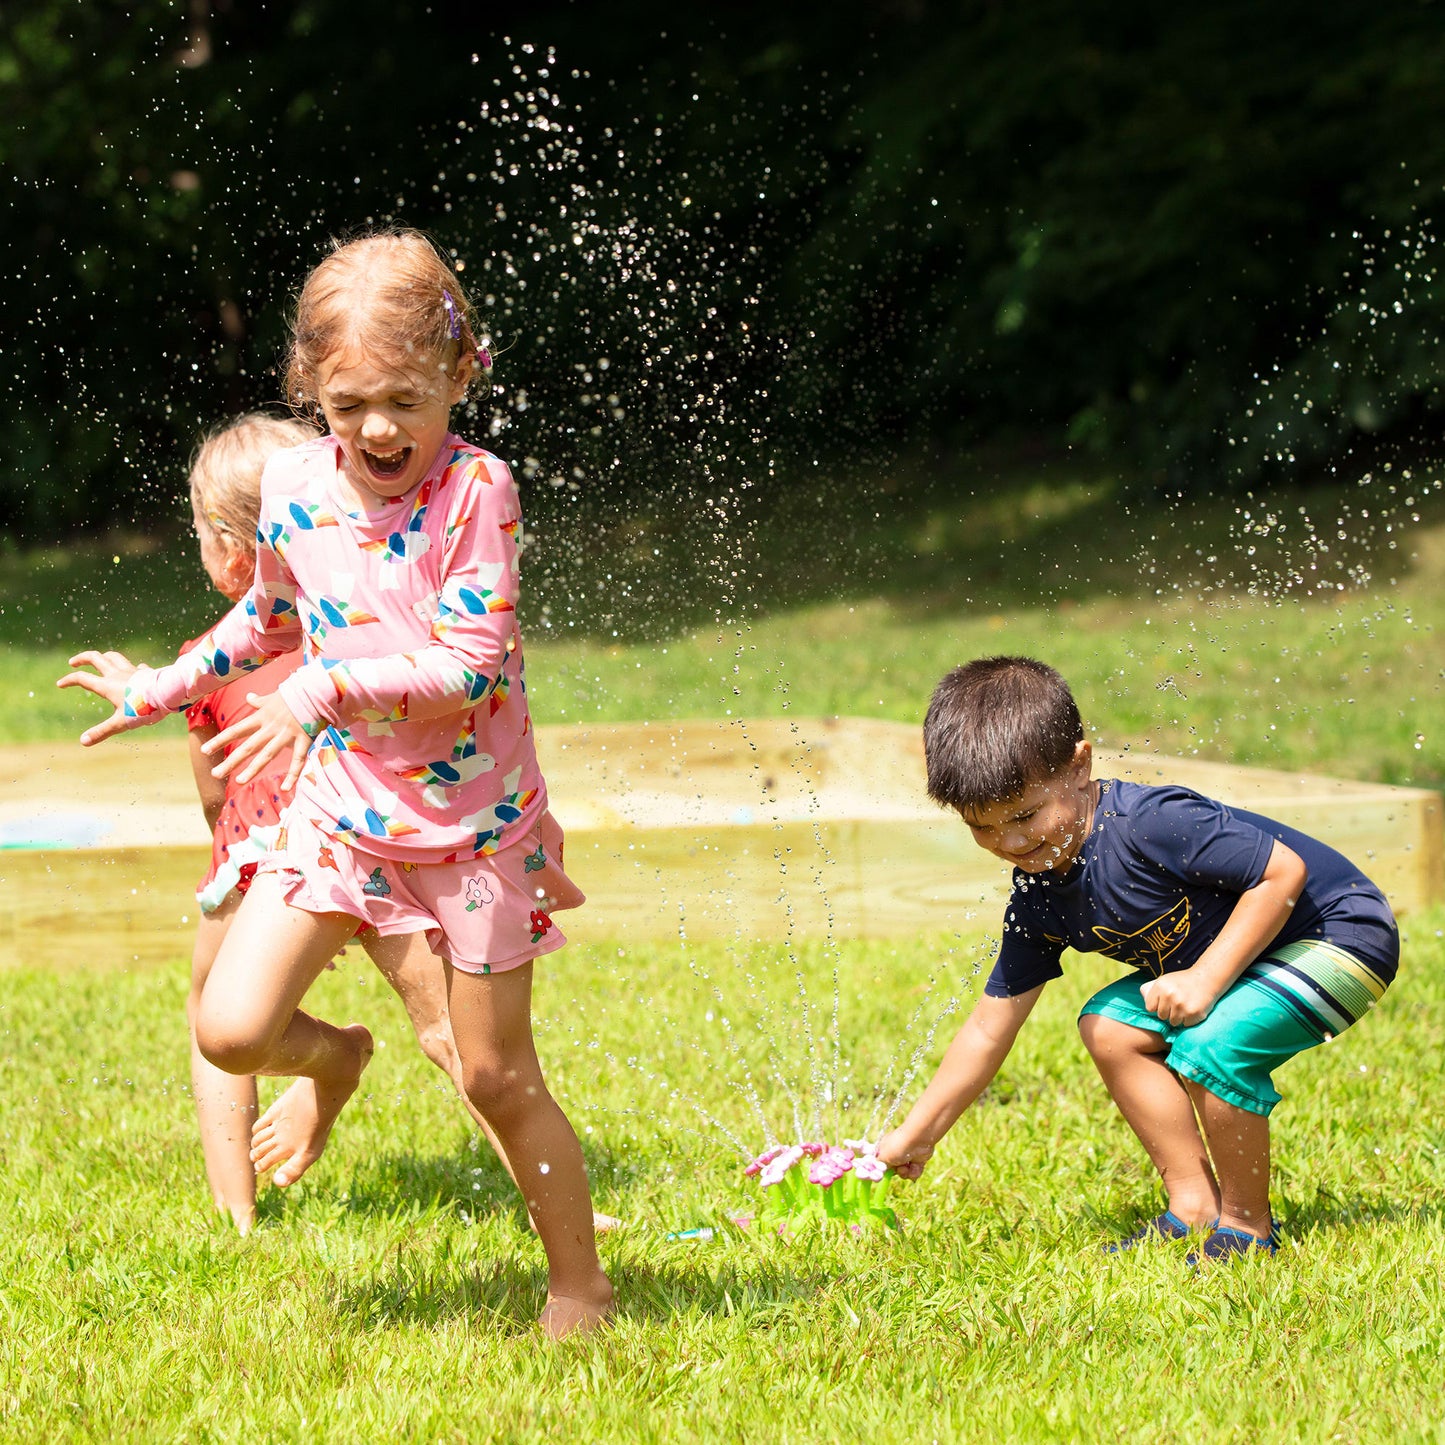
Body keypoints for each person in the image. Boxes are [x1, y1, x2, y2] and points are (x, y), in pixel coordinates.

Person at [60, 229, 612, 1334]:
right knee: (229, 1025)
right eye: (347, 399)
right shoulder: (299, 484)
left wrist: (314, 693)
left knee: (495, 1077)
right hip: (343, 813)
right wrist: (165, 685)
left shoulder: (476, 494)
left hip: (468, 828)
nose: (374, 428)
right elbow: (265, 612)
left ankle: (578, 1281)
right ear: (307, 386)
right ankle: (339, 1057)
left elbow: (468, 664)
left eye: (405, 399)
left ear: (462, 373)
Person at [876, 656, 1398, 1262]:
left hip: (1338, 934)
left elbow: (1284, 872)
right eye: (982, 828)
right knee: (1108, 1026)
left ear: (1080, 765)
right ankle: (1192, 1204)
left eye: (1024, 815)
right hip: (1254, 958)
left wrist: (1204, 979)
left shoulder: (1153, 822)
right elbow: (991, 1027)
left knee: (1215, 1043)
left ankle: (1248, 1227)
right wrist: (919, 1135)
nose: (1011, 843)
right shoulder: (1039, 895)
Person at [180, 411, 546, 1236]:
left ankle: (239, 1208)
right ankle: (539, 1201)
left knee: (215, 1007)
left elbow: (216, 798)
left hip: (301, 853)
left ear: (234, 551)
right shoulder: (364, 639)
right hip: (369, 844)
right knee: (446, 1031)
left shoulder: (242, 657)